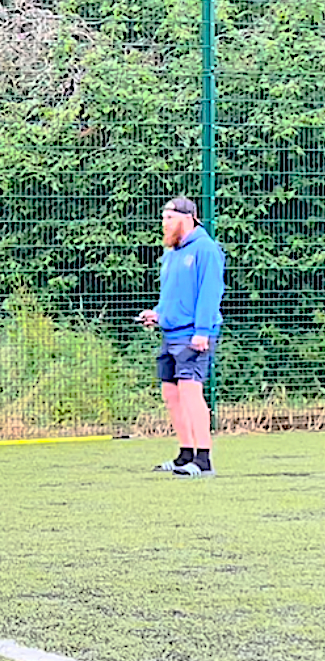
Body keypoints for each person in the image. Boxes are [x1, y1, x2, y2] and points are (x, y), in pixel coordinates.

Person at [136, 195, 225, 477]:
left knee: (190, 393)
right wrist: (157, 315)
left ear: (187, 219)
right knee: (170, 394)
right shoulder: (172, 253)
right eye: (163, 218)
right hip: (170, 335)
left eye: (169, 218)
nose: (164, 223)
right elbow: (171, 296)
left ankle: (204, 460)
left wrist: (202, 332)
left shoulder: (206, 249)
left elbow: (210, 294)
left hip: (192, 336)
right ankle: (185, 454)